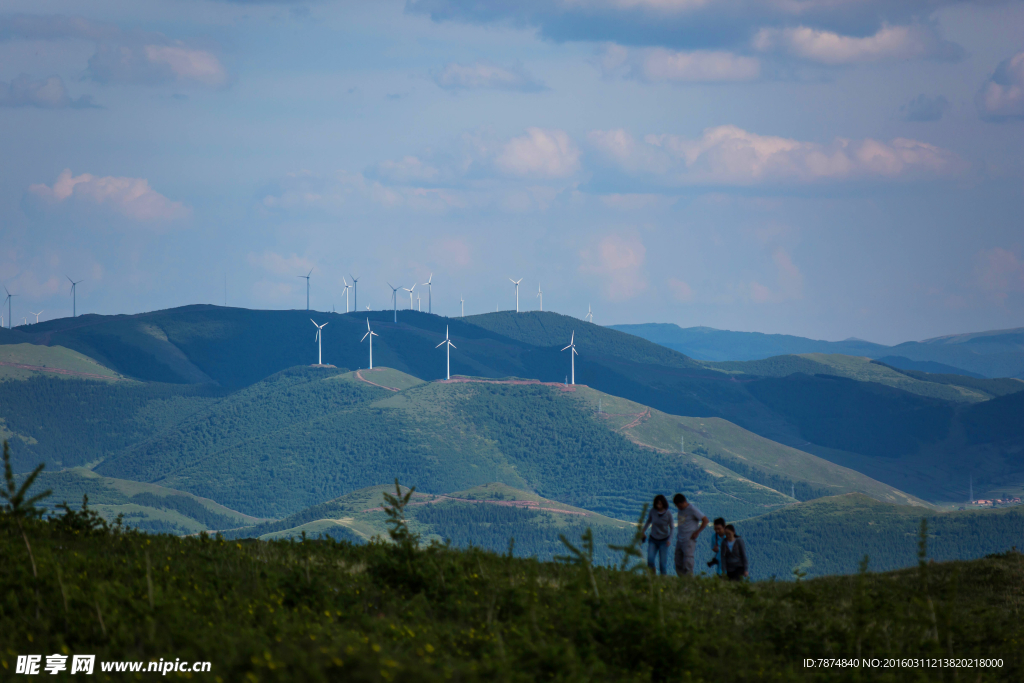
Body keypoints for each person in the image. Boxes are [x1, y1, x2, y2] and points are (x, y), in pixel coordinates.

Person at [672, 493, 708, 577]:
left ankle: (689, 581)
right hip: (680, 539)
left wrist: (697, 532)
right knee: (678, 561)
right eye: (677, 506)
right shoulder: (680, 509)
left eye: (679, 505)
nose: (678, 507)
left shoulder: (692, 509)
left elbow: (705, 520)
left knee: (687, 561)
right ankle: (682, 580)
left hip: (689, 540)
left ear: (684, 502)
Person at [641, 494, 673, 575]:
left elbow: (672, 527)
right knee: (650, 560)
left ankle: (663, 581)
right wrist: (643, 530)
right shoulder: (653, 511)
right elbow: (649, 521)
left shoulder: (668, 514)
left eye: (660, 504)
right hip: (653, 539)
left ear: (664, 504)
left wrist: (669, 539)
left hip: (664, 541)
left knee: (662, 564)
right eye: (657, 504)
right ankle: (653, 576)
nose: (658, 506)